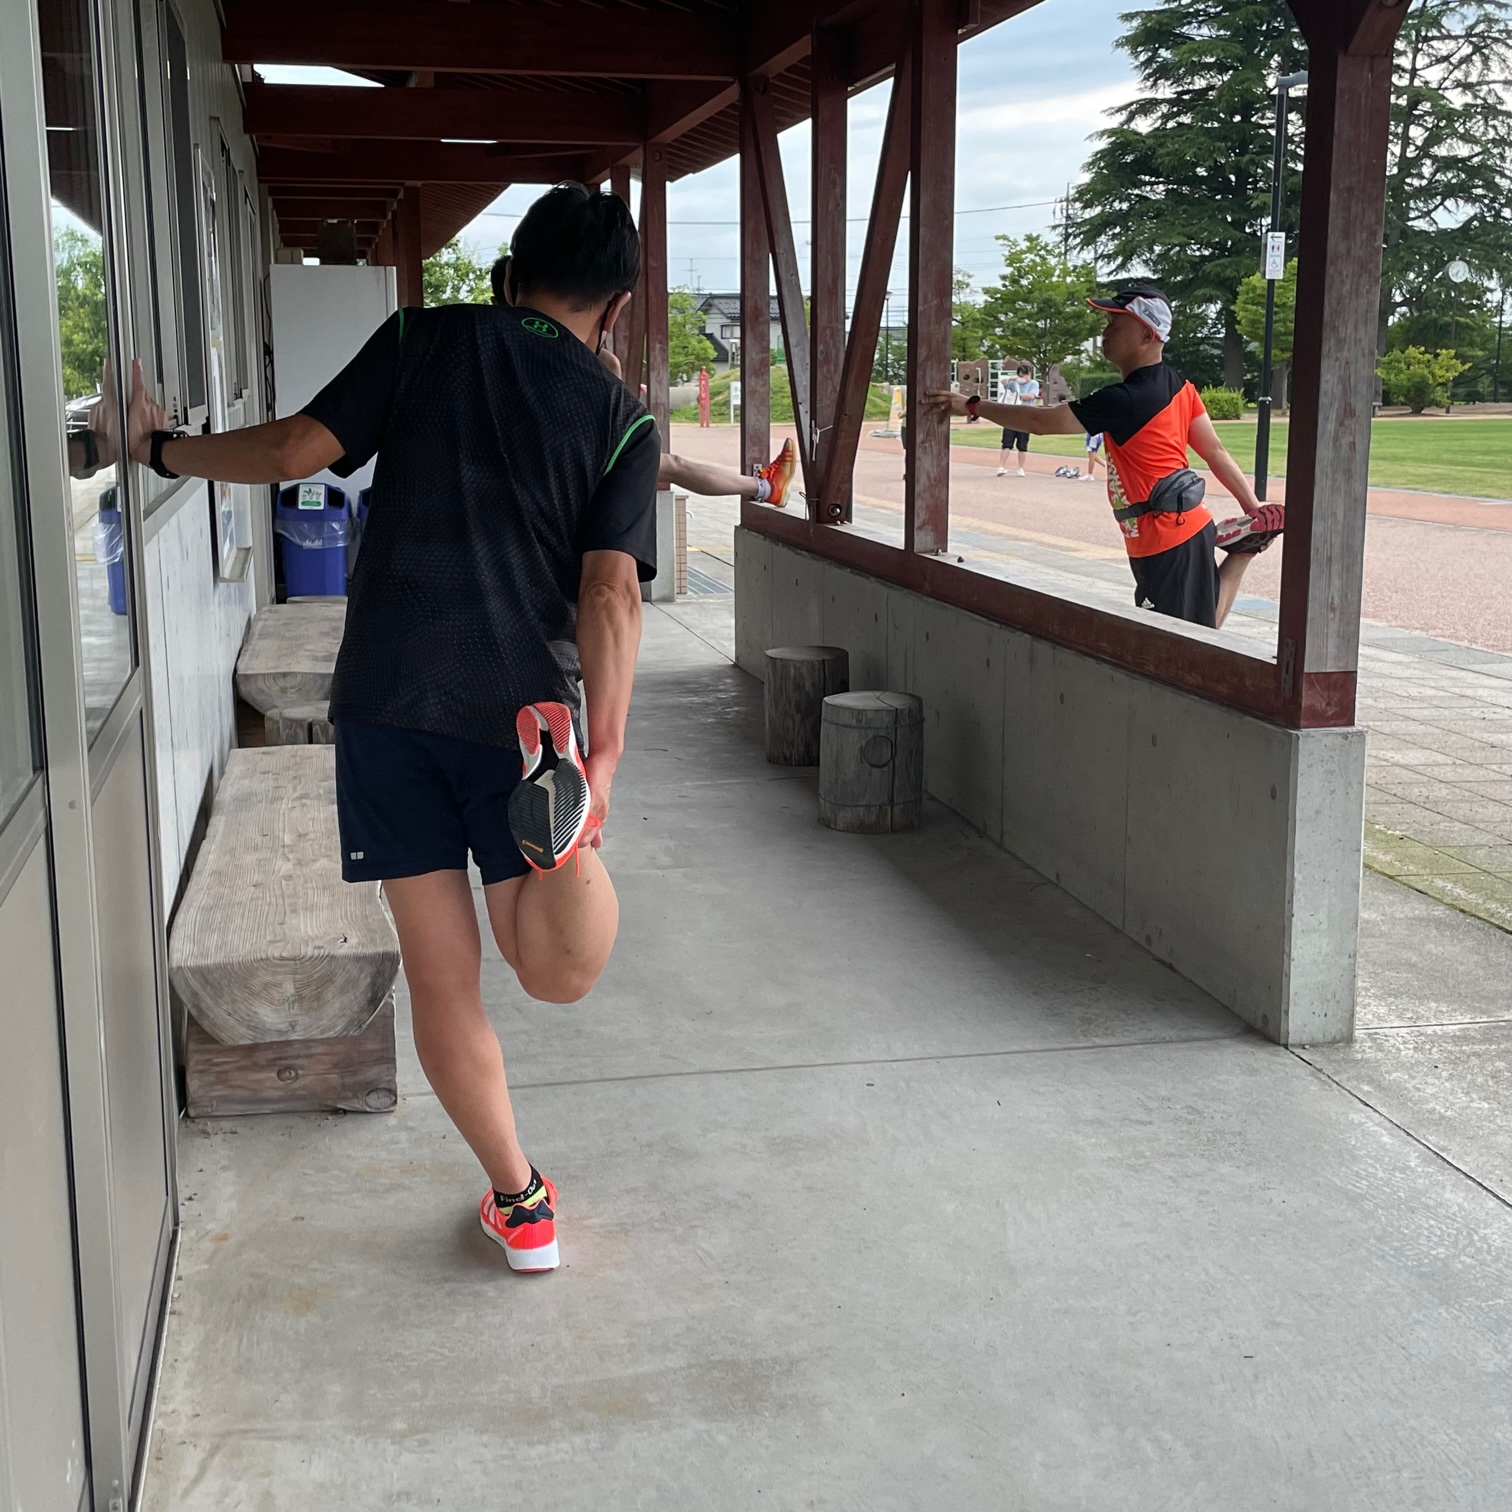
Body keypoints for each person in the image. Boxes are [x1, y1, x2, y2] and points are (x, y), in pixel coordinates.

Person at [127, 183, 664, 1275]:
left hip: (389, 696)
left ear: (509, 275)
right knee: (546, 964)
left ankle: (521, 1203)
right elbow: (612, 594)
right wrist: (602, 754)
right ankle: (563, 832)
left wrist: (160, 449)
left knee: (444, 978)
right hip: (523, 705)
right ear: (615, 307)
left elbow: (292, 454)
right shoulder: (620, 415)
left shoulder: (424, 336)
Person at [929, 284, 1284, 630]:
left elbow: (1040, 421)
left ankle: (1244, 547)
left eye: (1116, 323)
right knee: (1199, 624)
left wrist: (973, 405)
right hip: (1183, 527)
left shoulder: (1124, 399)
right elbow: (1215, 450)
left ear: (1147, 335)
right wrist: (1253, 508)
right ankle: (1244, 547)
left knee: (1183, 642)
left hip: (1165, 537)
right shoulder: (1179, 384)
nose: (1105, 331)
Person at [491, 254, 797, 508]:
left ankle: (765, 486)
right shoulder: (581, 352)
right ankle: (766, 486)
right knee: (674, 465)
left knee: (673, 465)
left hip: (552, 462)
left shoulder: (483, 347)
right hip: (582, 460)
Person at [995, 362, 1039, 476]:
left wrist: (1016, 395)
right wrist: (1011, 379)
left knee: (1022, 445)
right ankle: (1001, 466)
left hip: (1025, 417)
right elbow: (1002, 384)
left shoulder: (1034, 383)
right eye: (1021, 375)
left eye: (1025, 375)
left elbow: (1031, 396)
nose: (1023, 378)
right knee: (1006, 443)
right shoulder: (1013, 383)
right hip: (1012, 417)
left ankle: (1020, 468)